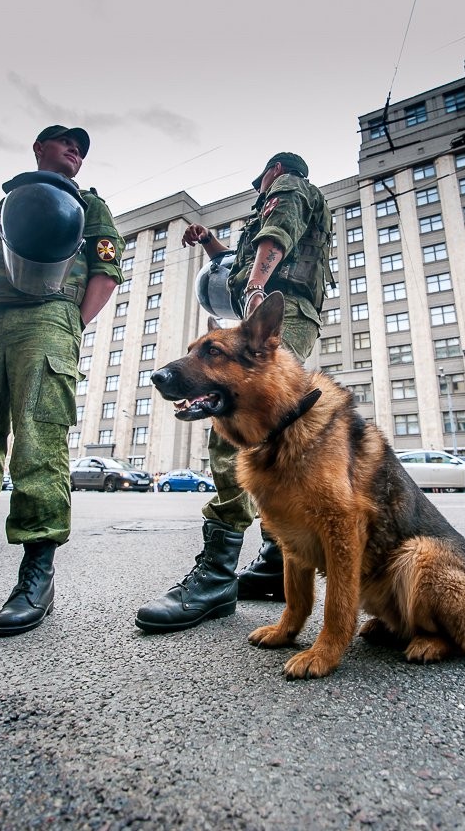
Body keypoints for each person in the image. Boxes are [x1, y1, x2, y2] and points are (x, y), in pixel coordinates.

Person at [0, 125, 124, 636]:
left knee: (38, 441)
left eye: (82, 147)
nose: (77, 150)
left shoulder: (88, 205)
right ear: (39, 147)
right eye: (66, 142)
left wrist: (68, 325)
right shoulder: (7, 205)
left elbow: (105, 272)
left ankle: (37, 574)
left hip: (48, 317)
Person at [136, 151, 333, 634]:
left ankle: (217, 576)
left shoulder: (288, 187)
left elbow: (273, 240)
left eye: (260, 180)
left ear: (275, 171)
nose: (259, 186)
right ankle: (272, 562)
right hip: (275, 308)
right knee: (268, 433)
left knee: (235, 417)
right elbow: (235, 262)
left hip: (274, 310)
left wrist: (258, 292)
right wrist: (208, 242)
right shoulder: (284, 200)